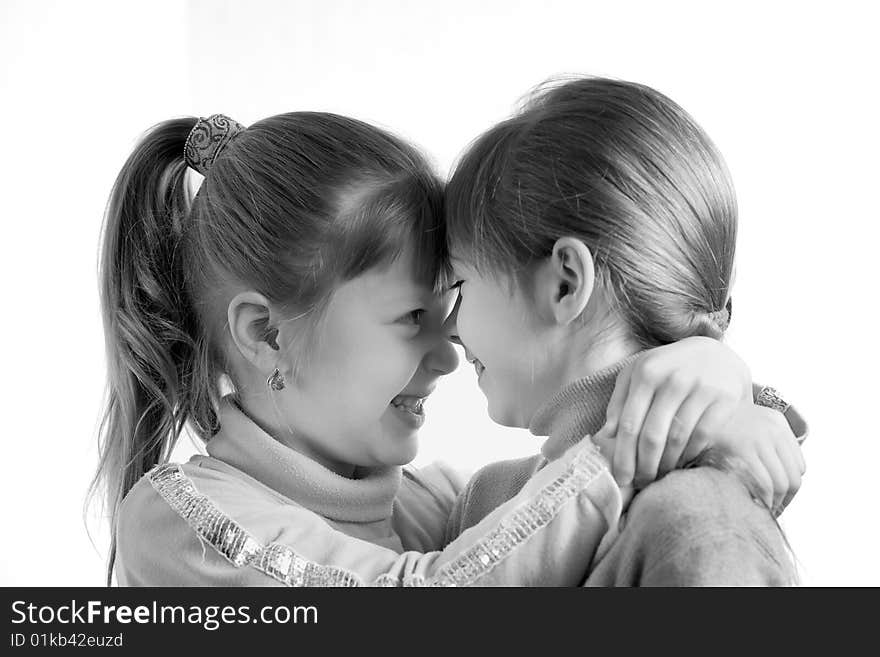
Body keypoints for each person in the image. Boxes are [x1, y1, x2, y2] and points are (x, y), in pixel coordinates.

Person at [92, 109, 801, 587]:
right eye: (411, 318)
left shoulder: (441, 508)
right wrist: (635, 441)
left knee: (697, 501)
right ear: (266, 333)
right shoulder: (181, 517)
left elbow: (542, 502)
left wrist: (714, 379)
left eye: (451, 309)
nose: (450, 355)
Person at [442, 77, 807, 585]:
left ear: (566, 284)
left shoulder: (699, 519)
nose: (450, 330)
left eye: (462, 284)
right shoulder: (486, 500)